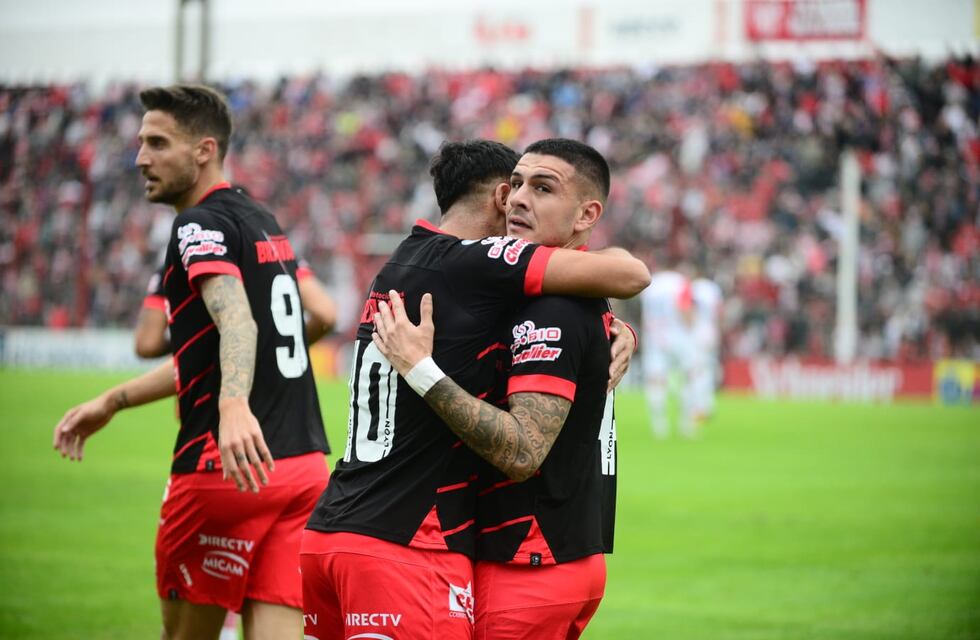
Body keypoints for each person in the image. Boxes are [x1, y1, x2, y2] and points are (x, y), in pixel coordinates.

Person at [300, 139, 648, 640]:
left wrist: (612, 329)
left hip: (333, 530)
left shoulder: (403, 262)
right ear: (499, 198)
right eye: (517, 187)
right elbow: (631, 271)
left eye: (541, 187)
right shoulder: (481, 265)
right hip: (413, 543)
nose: (521, 201)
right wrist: (423, 371)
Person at [52, 84, 330, 640]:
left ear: (204, 150)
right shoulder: (263, 220)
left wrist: (232, 406)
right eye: (140, 143)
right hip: (303, 471)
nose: (140, 159)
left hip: (225, 469)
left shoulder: (196, 225)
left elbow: (237, 323)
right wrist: (113, 399)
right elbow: (304, 318)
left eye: (158, 143)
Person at [136, 257, 337, 358]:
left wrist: (192, 343)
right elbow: (325, 315)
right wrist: (276, 349)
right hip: (274, 394)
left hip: (203, 399)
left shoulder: (181, 262)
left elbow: (146, 344)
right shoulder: (281, 254)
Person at [640, 268, 697, 438]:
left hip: (655, 338)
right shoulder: (680, 283)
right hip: (679, 337)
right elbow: (685, 309)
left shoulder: (650, 285)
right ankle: (686, 423)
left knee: (656, 382)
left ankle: (659, 425)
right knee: (688, 378)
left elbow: (645, 315)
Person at [690, 274, 723, 421]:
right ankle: (708, 405)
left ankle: (699, 407)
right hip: (710, 332)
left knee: (696, 371)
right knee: (708, 369)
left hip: (696, 332)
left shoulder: (693, 287)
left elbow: (689, 309)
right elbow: (719, 312)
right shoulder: (713, 288)